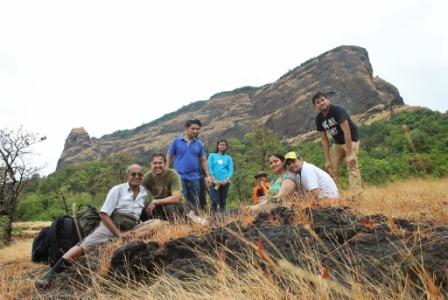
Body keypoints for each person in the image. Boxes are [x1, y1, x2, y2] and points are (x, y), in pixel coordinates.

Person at [36, 164, 158, 289]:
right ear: (127, 176)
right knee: (82, 246)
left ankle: (123, 240)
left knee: (157, 224)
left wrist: (153, 203)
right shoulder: (118, 189)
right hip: (111, 225)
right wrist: (118, 233)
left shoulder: (144, 193)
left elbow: (153, 203)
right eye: (133, 174)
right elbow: (103, 214)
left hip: (132, 228)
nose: (136, 177)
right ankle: (50, 275)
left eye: (140, 174)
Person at [312, 92, 363, 198]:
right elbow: (324, 140)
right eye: (318, 102)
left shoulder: (337, 110)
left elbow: (347, 132)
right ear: (315, 106)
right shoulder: (319, 119)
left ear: (327, 100)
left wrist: (349, 154)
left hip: (351, 140)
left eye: (322, 100)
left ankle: (356, 197)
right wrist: (327, 159)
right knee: (331, 168)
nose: (321, 103)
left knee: (352, 167)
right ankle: (335, 196)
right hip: (337, 143)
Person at [166, 119, 212, 211]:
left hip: (195, 177)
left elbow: (203, 160)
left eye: (197, 129)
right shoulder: (176, 141)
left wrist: (208, 176)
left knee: (195, 201)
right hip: (179, 177)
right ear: (187, 128)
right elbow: (169, 156)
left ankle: (195, 221)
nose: (195, 131)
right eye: (193, 128)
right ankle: (183, 221)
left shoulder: (199, 144)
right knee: (182, 200)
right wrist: (166, 172)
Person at [141, 153, 185, 222]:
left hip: (174, 205)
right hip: (159, 206)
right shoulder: (147, 177)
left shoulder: (173, 174)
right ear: (150, 164)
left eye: (160, 163)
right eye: (155, 163)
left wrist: (155, 202)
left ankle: (176, 226)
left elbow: (176, 198)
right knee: (143, 210)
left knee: (169, 208)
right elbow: (139, 194)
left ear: (165, 164)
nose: (157, 165)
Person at [208, 139, 233, 212]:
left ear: (226, 147)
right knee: (215, 200)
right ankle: (213, 216)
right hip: (214, 182)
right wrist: (214, 179)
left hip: (225, 182)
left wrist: (227, 179)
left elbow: (230, 170)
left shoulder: (228, 158)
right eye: (221, 144)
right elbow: (210, 167)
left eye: (224, 145)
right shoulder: (212, 155)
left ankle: (222, 218)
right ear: (217, 146)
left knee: (223, 201)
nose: (222, 146)